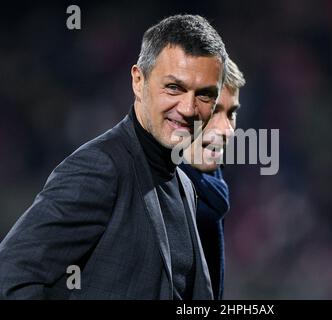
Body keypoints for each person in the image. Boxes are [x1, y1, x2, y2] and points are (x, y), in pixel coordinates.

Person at [0, 14, 228, 300]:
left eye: (205, 95)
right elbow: (11, 278)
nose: (188, 108)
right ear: (138, 81)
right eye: (174, 87)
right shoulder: (101, 167)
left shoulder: (185, 185)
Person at [181, 59, 245, 299]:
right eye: (214, 110)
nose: (227, 129)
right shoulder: (141, 194)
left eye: (231, 113)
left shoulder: (211, 190)